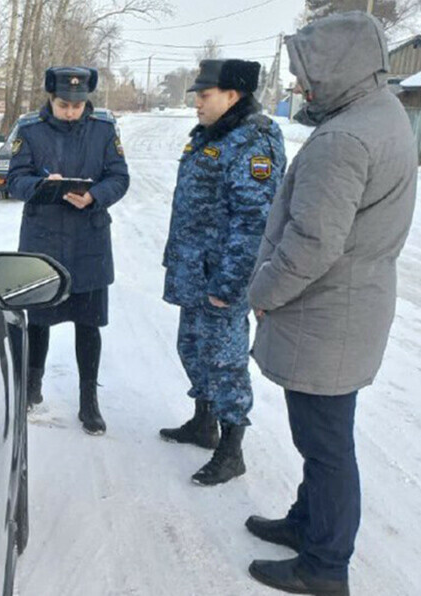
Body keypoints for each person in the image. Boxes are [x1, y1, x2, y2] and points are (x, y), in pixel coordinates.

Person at [245, 12, 417, 595]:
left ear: (337, 67)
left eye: (306, 73)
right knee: (322, 438)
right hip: (350, 308)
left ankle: (325, 564)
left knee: (326, 447)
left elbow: (312, 243)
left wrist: (262, 294)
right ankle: (306, 523)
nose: (300, 86)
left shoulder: (343, 139)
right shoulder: (381, 113)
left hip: (326, 315)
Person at [160, 59, 286, 486]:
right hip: (197, 272)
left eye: (204, 94)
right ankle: (203, 424)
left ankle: (232, 450)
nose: (196, 102)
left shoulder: (255, 140)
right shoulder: (211, 135)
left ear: (233, 95)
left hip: (222, 280)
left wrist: (230, 285)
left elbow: (254, 222)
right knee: (192, 348)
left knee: (225, 362)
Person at [6, 66, 130, 435]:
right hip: (43, 240)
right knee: (39, 320)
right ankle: (31, 387)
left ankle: (88, 401)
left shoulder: (104, 131)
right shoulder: (29, 131)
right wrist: (43, 186)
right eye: (63, 105)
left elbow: (120, 177)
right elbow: (13, 179)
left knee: (88, 324)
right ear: (50, 99)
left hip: (88, 242)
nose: (71, 111)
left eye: (78, 105)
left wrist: (94, 195)